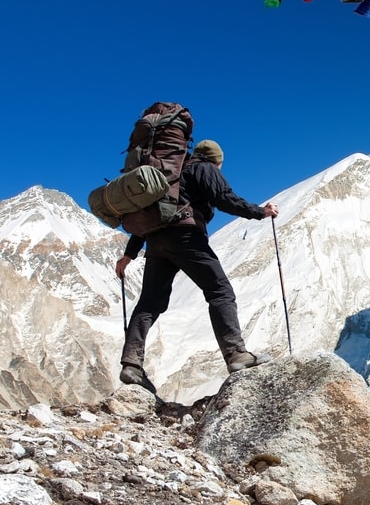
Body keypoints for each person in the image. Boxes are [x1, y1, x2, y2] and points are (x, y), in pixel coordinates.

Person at [115, 139, 279, 394]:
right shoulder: (204, 168)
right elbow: (225, 199)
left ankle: (131, 365)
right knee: (220, 291)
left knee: (149, 302)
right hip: (187, 237)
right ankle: (236, 354)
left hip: (156, 242)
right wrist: (260, 212)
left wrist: (128, 255)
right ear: (217, 160)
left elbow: (150, 218)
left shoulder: (167, 178)